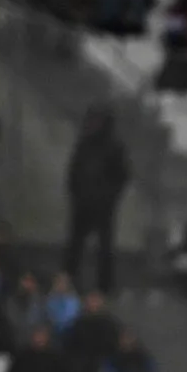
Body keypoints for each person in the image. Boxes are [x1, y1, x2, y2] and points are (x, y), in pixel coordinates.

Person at [64, 107, 132, 292]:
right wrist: (76, 194)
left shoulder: (115, 147)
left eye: (97, 120)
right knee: (75, 245)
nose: (93, 124)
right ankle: (68, 280)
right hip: (83, 203)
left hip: (103, 206)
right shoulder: (84, 144)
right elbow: (74, 171)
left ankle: (105, 285)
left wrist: (108, 198)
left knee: (104, 247)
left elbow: (122, 177)